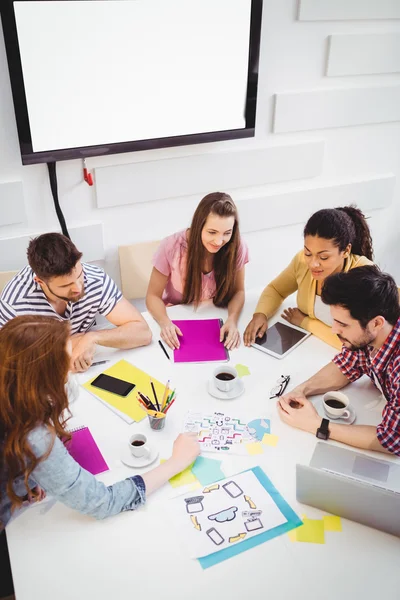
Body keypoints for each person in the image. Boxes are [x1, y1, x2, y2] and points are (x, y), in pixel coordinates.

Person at [0, 315, 200, 531]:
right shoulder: (36, 437)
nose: (71, 368)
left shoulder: (12, 392)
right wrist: (177, 462)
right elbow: (103, 502)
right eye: (65, 363)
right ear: (43, 378)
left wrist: (27, 477)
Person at [277, 266, 400, 456]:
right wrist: (301, 390)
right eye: (335, 321)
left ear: (376, 323)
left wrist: (318, 425)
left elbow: (391, 438)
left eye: (343, 324)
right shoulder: (369, 336)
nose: (334, 330)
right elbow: (347, 364)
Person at [0, 233, 152, 372]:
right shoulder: (14, 303)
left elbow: (143, 333)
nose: (78, 288)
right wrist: (64, 350)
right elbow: (7, 363)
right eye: (65, 286)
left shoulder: (94, 279)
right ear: (40, 281)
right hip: (44, 378)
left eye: (79, 275)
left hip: (90, 370)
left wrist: (92, 338)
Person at [244, 206, 374, 349]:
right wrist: (260, 314)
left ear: (346, 251)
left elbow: (359, 344)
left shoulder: (364, 276)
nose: (313, 264)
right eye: (308, 253)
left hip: (347, 361)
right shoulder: (301, 262)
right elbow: (276, 289)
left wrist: (306, 322)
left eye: (323, 257)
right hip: (310, 349)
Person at [146, 192, 249, 350]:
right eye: (212, 232)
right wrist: (165, 323)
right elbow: (153, 296)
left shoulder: (237, 246)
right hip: (177, 319)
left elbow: (239, 291)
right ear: (198, 225)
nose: (219, 241)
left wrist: (232, 320)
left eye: (227, 233)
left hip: (217, 315)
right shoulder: (171, 246)